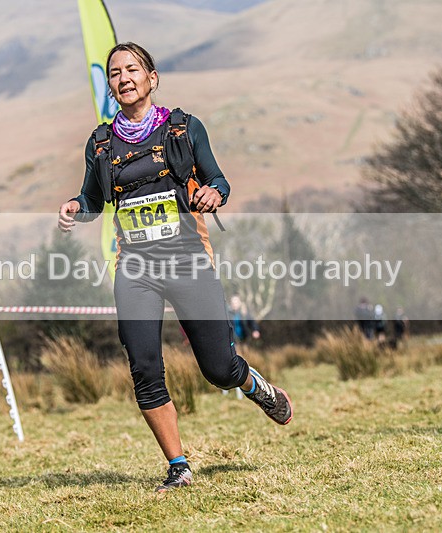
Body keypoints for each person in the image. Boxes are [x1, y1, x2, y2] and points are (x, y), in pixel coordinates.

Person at [57, 42, 292, 493]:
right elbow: (92, 199)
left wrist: (214, 193)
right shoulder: (101, 143)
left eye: (132, 69)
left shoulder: (184, 128)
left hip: (187, 259)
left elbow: (217, 179)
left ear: (152, 78)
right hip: (136, 268)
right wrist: (74, 207)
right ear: (110, 86)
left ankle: (254, 385)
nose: (123, 78)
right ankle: (178, 466)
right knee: (144, 367)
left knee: (218, 369)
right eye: (115, 73)